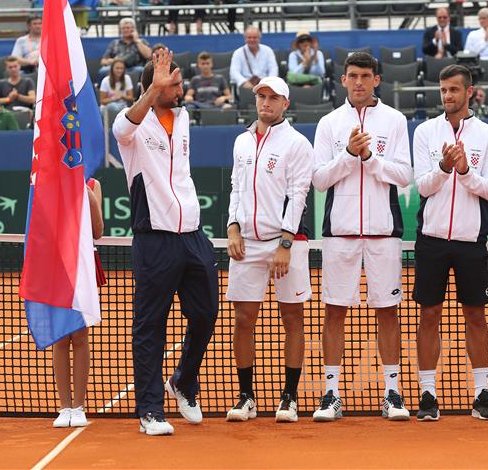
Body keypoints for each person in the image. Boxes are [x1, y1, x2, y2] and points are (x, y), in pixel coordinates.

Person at [111, 50, 218, 436]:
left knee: (206, 313)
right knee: (150, 325)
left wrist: (163, 88)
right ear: (152, 87)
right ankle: (151, 410)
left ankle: (183, 382)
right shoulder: (133, 128)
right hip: (153, 238)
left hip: (192, 234)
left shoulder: (185, 116)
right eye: (172, 84)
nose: (180, 88)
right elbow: (120, 129)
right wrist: (151, 90)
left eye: (177, 82)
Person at [311, 52, 413, 422]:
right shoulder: (328, 123)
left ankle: (392, 393)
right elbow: (319, 179)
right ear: (342, 80)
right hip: (340, 234)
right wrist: (348, 155)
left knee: (388, 312)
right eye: (352, 76)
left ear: (377, 80)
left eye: (365, 76)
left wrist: (368, 158)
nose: (358, 82)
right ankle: (331, 394)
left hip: (384, 234)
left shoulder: (395, 120)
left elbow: (404, 175)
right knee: (334, 311)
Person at [412, 65, 488, 421]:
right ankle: (428, 394)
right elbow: (422, 186)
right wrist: (445, 168)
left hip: (470, 240)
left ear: (469, 92)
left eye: (453, 90)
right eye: (443, 90)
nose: (447, 96)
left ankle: (482, 394)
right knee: (428, 315)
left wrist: (465, 172)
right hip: (432, 239)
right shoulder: (425, 131)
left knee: (476, 316)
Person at [226, 76, 314, 424]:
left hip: (285, 246)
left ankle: (289, 398)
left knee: (292, 318)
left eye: (273, 97)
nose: (266, 102)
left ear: (285, 104)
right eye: (261, 96)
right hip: (246, 244)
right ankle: (246, 397)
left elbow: (298, 195)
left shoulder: (297, 144)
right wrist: (232, 227)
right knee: (243, 319)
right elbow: (235, 189)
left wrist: (285, 242)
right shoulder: (241, 142)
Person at [52, 177, 104, 428]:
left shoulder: (93, 184)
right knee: (61, 337)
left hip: (83, 265)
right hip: (57, 264)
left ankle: (79, 407)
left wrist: (89, 196)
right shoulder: (44, 183)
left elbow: (98, 231)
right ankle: (64, 408)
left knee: (80, 336)